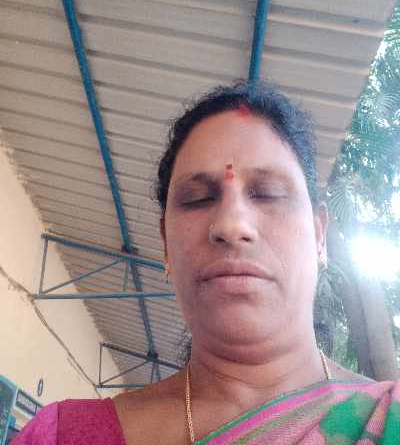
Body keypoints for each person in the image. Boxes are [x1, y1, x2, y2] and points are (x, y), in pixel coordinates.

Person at [13, 81, 400, 444]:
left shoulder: (388, 420)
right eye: (198, 198)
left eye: (267, 193)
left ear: (319, 235)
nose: (232, 225)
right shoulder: (64, 435)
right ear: (166, 245)